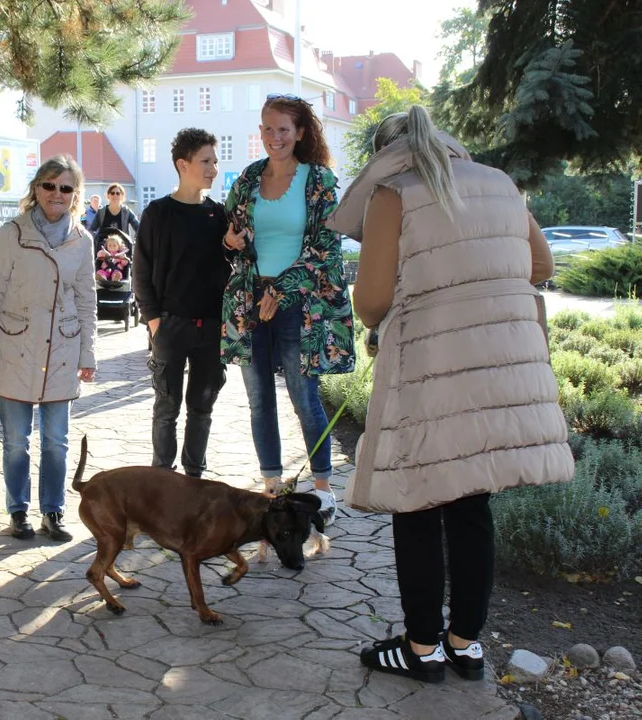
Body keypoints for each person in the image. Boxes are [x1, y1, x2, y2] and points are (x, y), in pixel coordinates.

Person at [329, 106, 574, 682]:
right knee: (471, 502)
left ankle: (421, 650)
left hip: (433, 365)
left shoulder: (394, 194)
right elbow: (540, 262)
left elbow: (369, 302)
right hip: (498, 363)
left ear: (386, 153)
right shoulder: (499, 182)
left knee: (415, 499)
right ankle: (465, 644)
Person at [221, 93, 355, 524]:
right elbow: (231, 234)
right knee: (259, 400)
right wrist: (230, 241)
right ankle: (273, 488)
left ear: (299, 133)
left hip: (300, 305)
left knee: (304, 397)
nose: (273, 137)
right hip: (249, 302)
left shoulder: (319, 181)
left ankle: (322, 488)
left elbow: (326, 248)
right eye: (266, 128)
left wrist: (280, 289)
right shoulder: (246, 179)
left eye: (283, 129)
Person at [0, 155, 98, 542]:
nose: (56, 194)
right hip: (16, 348)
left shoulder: (83, 239)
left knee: (57, 443)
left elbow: (86, 300)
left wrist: (87, 354)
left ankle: (53, 511)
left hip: (61, 351)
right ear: (36, 189)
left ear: (74, 194)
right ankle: (18, 511)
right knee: (15, 442)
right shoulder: (12, 233)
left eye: (65, 188)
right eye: (49, 185)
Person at [133, 128, 230, 478]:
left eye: (215, 161)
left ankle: (193, 479)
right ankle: (162, 479)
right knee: (166, 408)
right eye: (206, 161)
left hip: (211, 329)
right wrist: (153, 320)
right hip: (170, 326)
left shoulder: (219, 215)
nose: (213, 169)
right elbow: (140, 270)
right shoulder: (158, 213)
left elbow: (231, 268)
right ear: (182, 164)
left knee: (202, 407)